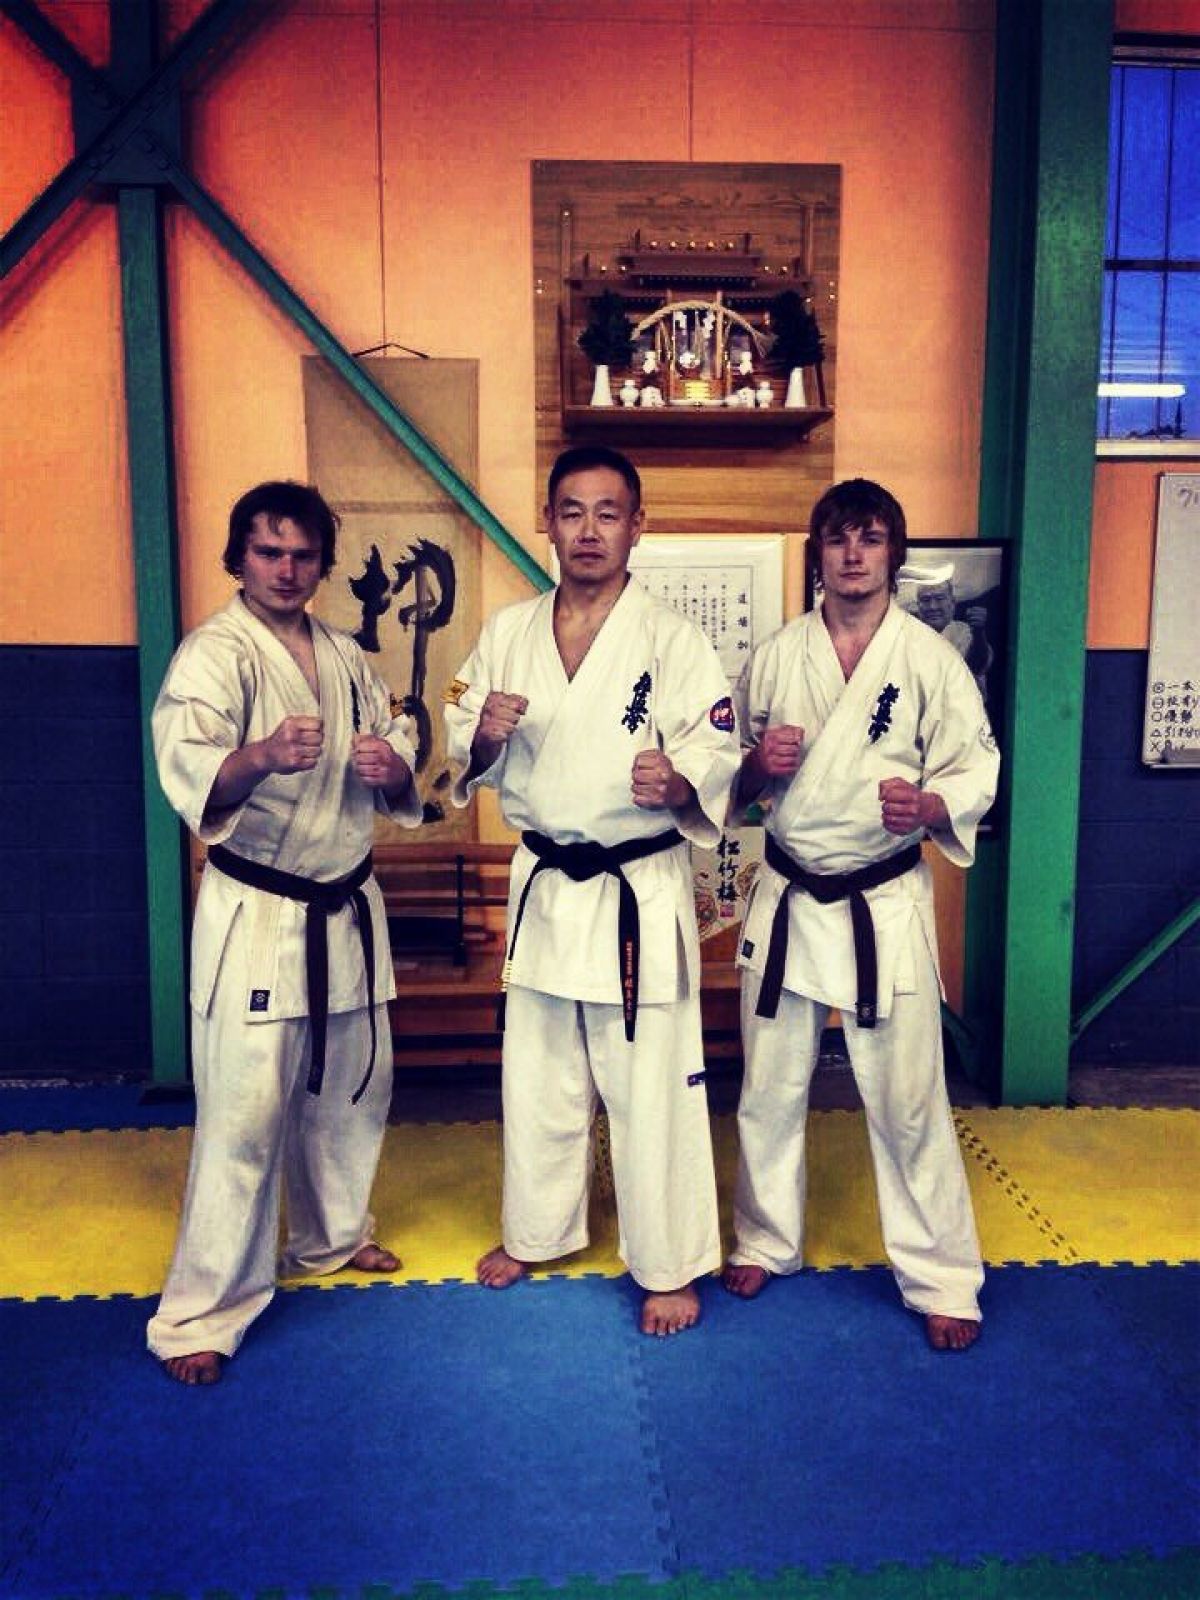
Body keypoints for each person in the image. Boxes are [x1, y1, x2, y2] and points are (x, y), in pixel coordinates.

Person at [444, 446, 740, 1336]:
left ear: (637, 527)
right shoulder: (507, 633)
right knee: (538, 1073)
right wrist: (485, 738)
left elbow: (716, 751)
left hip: (636, 885)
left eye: (608, 513)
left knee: (650, 1082)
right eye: (571, 511)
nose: (588, 530)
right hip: (546, 882)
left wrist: (679, 782)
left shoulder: (673, 640)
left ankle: (670, 1264)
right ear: (547, 521)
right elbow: (460, 743)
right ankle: (538, 1231)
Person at [147, 481, 422, 1384]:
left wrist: (391, 766)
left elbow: (398, 742)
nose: (287, 569)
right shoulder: (213, 655)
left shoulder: (344, 654)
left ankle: (332, 1238)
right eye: (269, 552)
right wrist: (259, 757)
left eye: (304, 555)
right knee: (243, 1115)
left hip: (346, 903)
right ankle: (202, 1311)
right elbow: (186, 769)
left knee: (352, 1089)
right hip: (260, 911)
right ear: (239, 558)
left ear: (321, 565)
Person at [722, 479, 999, 1350]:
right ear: (818, 552)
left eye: (870, 538)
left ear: (894, 554)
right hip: (789, 896)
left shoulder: (930, 661)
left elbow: (976, 768)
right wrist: (758, 769)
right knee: (768, 1088)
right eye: (838, 538)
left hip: (882, 901)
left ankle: (941, 1275)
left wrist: (930, 806)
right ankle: (765, 1238)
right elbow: (727, 779)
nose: (852, 554)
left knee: (909, 1099)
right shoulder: (778, 656)